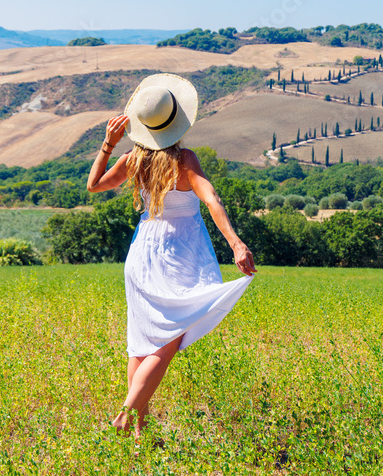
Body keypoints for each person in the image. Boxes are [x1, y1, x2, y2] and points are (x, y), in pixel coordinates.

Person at [85, 73, 256, 438]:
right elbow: (212, 200)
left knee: (142, 342)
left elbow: (94, 186)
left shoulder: (133, 159)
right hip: (177, 254)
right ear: (177, 121)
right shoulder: (186, 159)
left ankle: (137, 433)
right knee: (168, 339)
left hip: (142, 252)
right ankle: (126, 414)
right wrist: (236, 243)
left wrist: (107, 144)